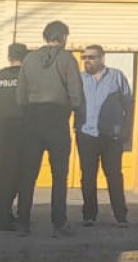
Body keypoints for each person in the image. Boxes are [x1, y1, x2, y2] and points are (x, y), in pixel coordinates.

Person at [14, 20, 85, 237]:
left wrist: (26, 116)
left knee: (28, 174)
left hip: (33, 120)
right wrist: (77, 118)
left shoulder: (29, 59)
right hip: (57, 120)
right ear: (63, 37)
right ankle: (59, 223)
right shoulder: (67, 59)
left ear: (46, 37)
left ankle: (23, 223)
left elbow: (20, 93)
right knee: (59, 175)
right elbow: (76, 92)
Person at [76, 45, 132, 227]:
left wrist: (126, 129)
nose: (87, 61)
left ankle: (121, 215)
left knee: (114, 175)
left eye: (91, 57)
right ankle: (89, 215)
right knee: (88, 175)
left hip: (111, 135)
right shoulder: (79, 80)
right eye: (84, 57)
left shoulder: (116, 77)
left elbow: (128, 105)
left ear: (102, 58)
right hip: (86, 134)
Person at [0, 42, 28, 232]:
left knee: (3, 169)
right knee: (22, 171)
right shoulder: (29, 76)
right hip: (24, 130)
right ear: (25, 57)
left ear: (9, 56)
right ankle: (20, 215)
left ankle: (2, 211)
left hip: (5, 131)